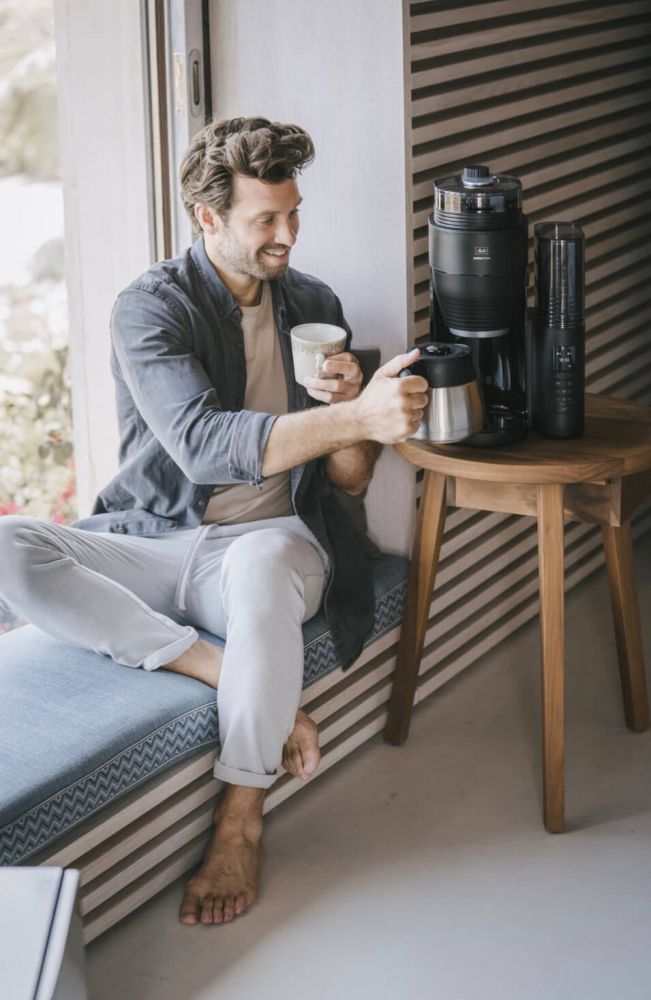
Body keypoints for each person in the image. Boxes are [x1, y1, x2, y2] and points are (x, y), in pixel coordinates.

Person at [0, 117, 427, 926]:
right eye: (265, 220)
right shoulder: (149, 308)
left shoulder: (313, 303)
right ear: (207, 217)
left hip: (275, 542)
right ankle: (217, 666)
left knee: (262, 569)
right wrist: (355, 417)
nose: (287, 236)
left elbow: (347, 481)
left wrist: (350, 416)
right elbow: (200, 447)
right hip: (158, 540)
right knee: (9, 545)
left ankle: (240, 822)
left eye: (293, 214)